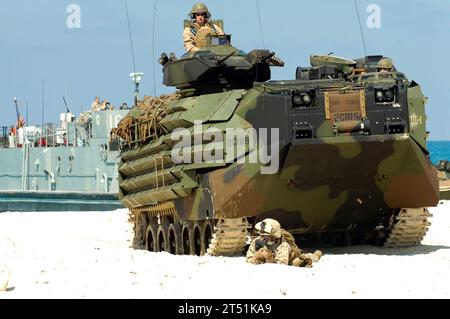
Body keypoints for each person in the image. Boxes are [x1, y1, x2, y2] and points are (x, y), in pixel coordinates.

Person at [246, 218, 323, 267]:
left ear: (274, 236)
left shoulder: (283, 245)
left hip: (291, 258)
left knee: (298, 261)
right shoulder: (257, 241)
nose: (262, 238)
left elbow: (281, 267)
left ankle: (316, 255)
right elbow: (249, 260)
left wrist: (268, 258)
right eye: (261, 235)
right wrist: (256, 257)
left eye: (266, 236)